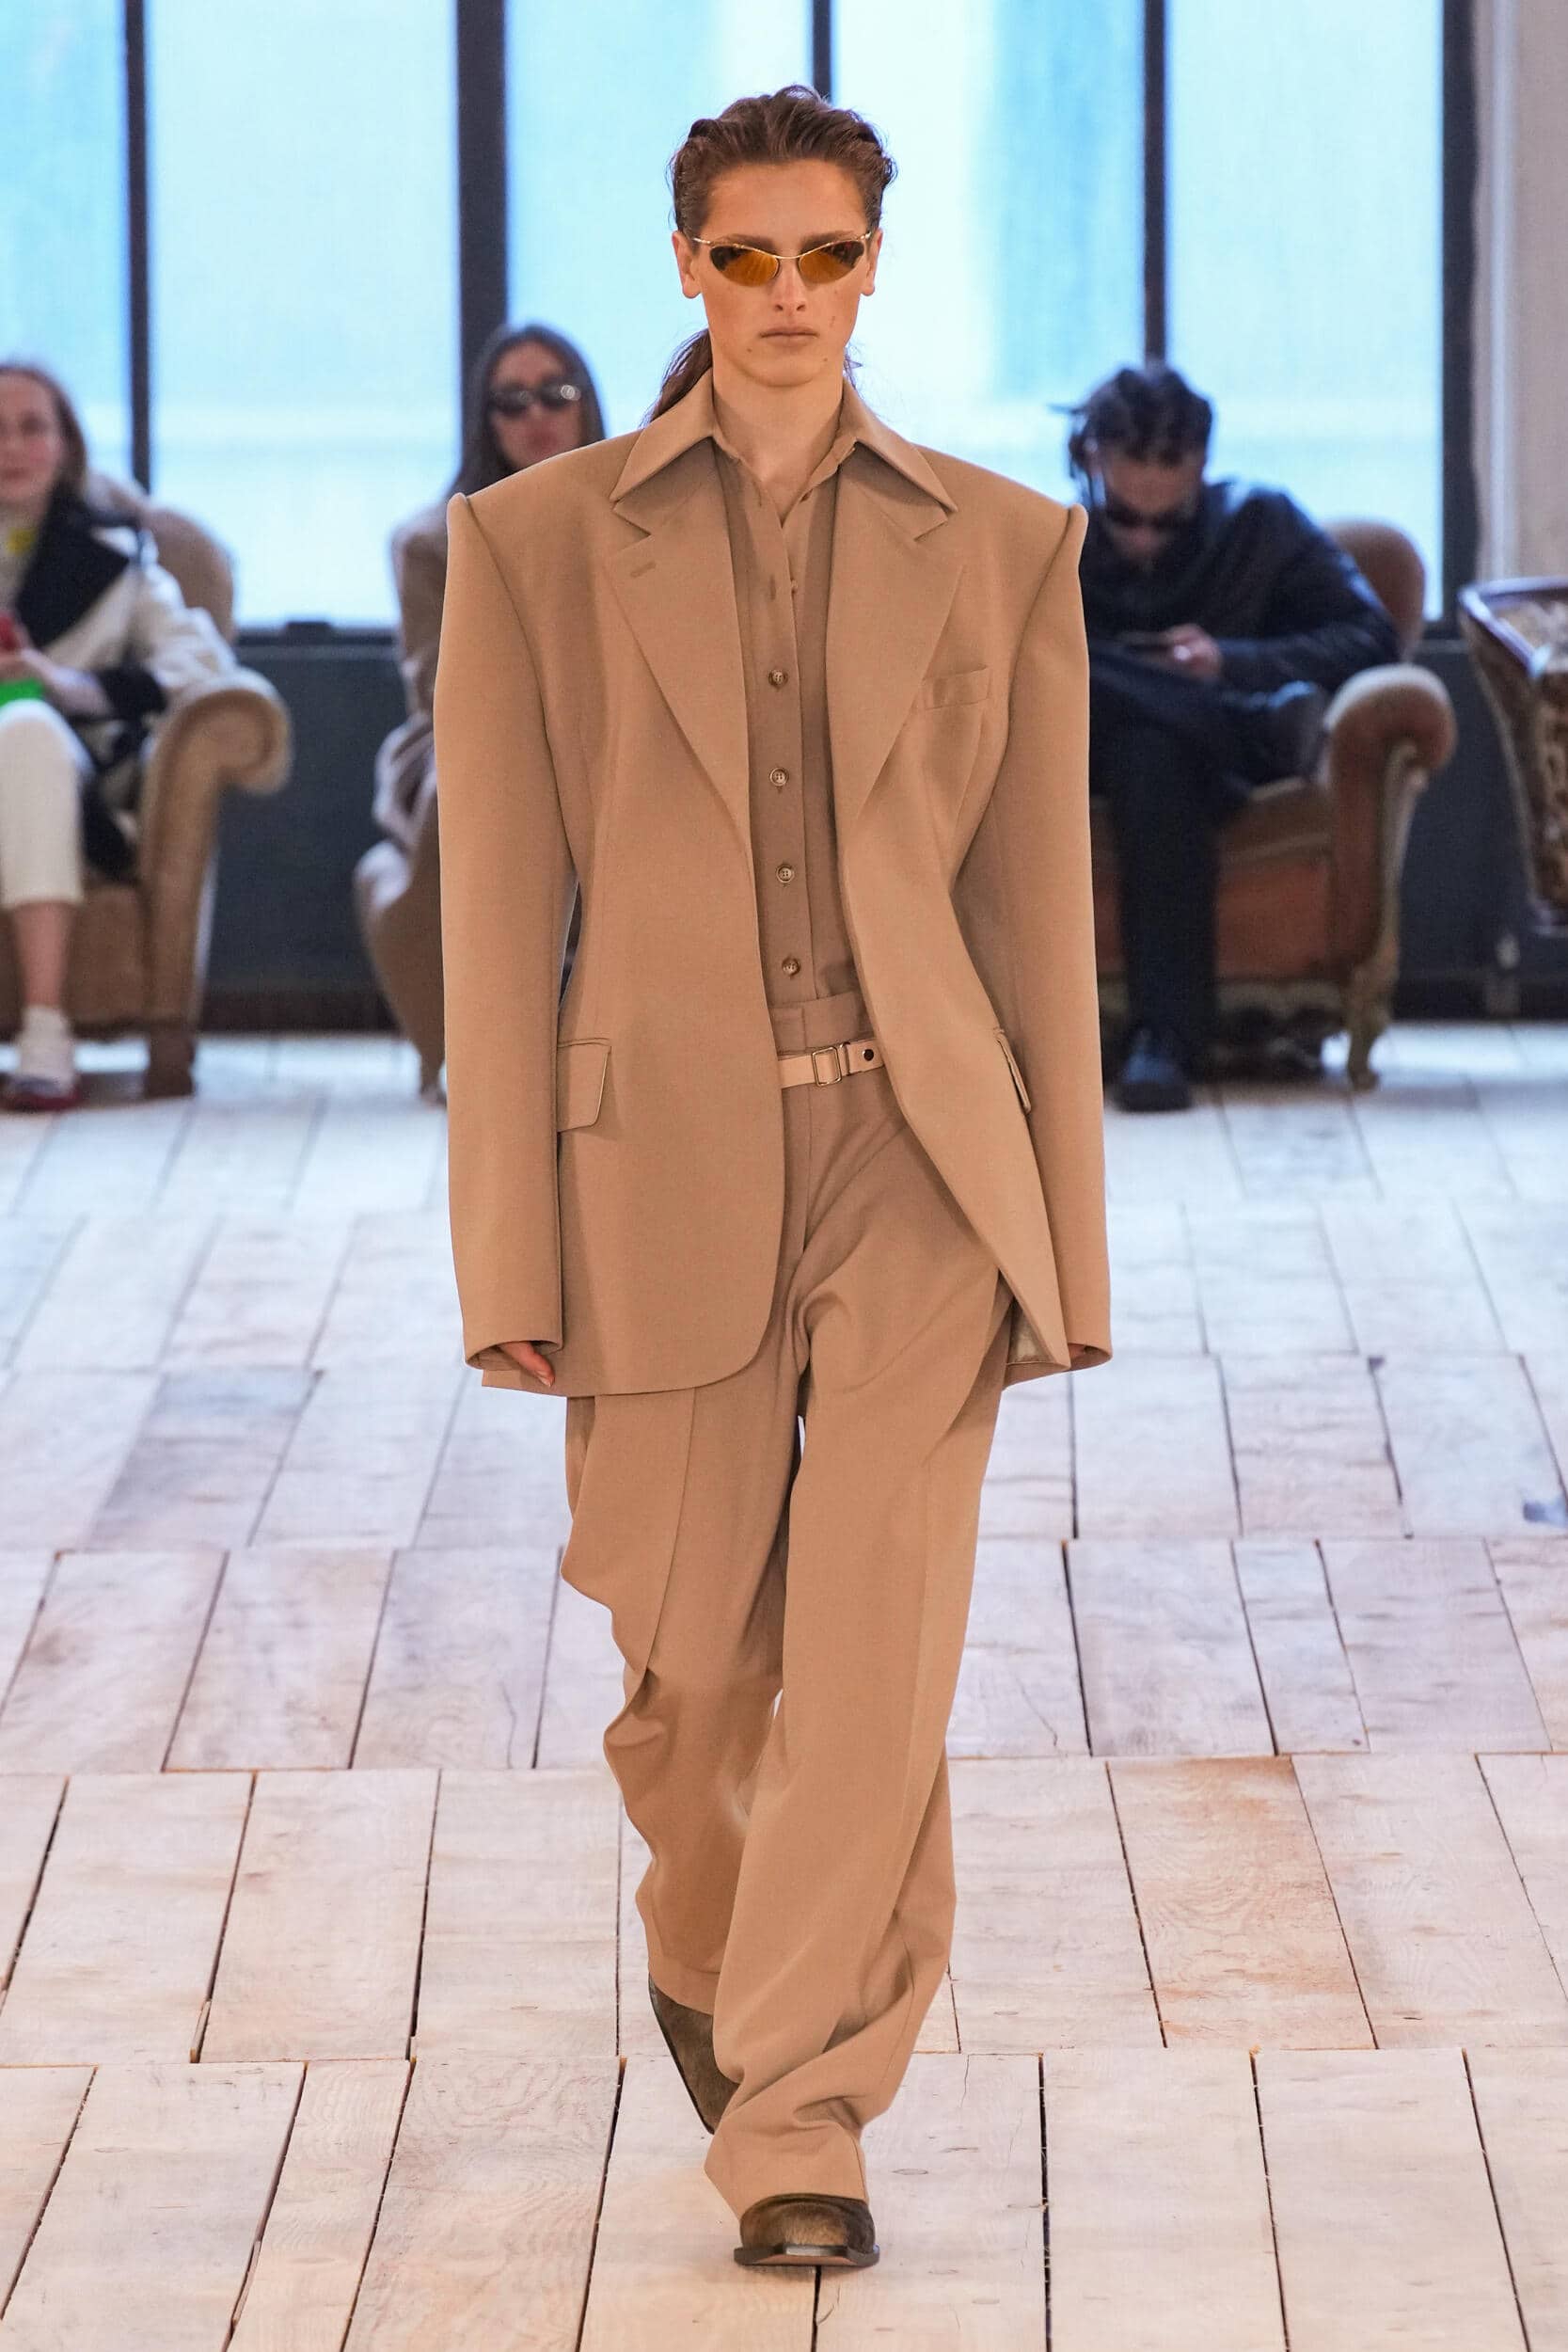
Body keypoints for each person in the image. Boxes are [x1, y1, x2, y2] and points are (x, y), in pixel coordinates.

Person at [435, 85, 1110, 2272]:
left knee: (876, 1656)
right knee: (693, 1680)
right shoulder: (533, 547)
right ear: (689, 267)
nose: (790, 292)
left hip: (922, 1157)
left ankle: (801, 2111)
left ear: (872, 267)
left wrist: (1062, 1247)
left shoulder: (1002, 546)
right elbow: (494, 925)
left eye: (828, 254)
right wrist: (503, 1251)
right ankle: (712, 1945)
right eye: (750, 255)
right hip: (653, 1156)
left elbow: (1034, 923)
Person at [1072, 362, 1402, 1111]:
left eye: (1166, 521)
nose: (1143, 538)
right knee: (1088, 684)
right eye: (1124, 517)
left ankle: (1163, 1039)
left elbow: (1371, 638)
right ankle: (1164, 1041)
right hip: (1097, 753)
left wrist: (1229, 661)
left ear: (1200, 471)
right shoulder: (1056, 538)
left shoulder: (1260, 524)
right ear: (1094, 463)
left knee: (1152, 749)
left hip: (1209, 773)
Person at [355, 325, 605, 1095]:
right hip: (459, 740)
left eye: (556, 393)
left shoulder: (637, 520)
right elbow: (446, 686)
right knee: (482, 780)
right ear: (484, 420)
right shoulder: (434, 542)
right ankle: (474, 1045)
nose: (537, 415)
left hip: (607, 726)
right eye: (511, 400)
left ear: (586, 403)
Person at [0, 361, 232, 1110]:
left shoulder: (117, 554)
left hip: (66, 786)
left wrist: (66, 685)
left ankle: (46, 1031)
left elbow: (200, 662)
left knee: (27, 728)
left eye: (32, 427)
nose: (12, 448)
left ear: (65, 444)